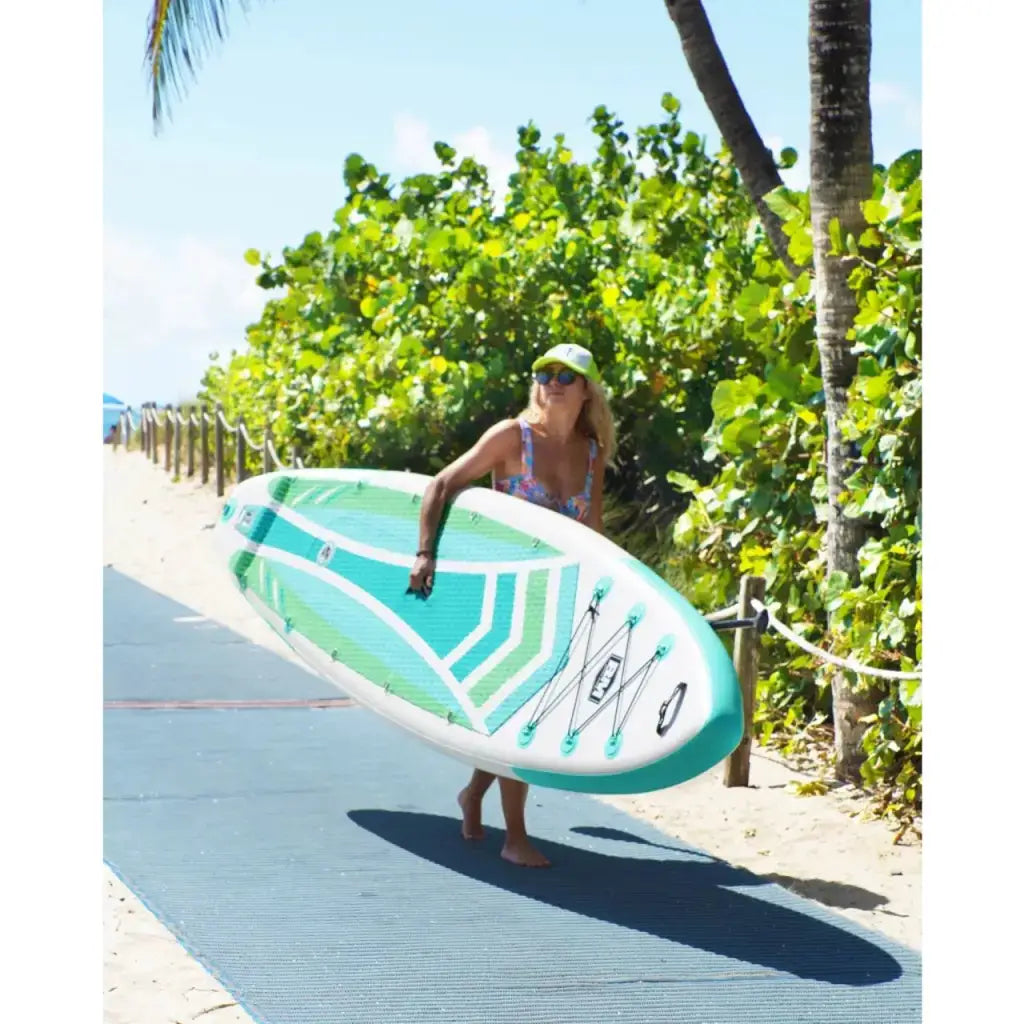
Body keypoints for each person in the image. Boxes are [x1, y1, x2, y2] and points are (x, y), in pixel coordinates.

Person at [408, 343, 616, 867]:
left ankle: (474, 795)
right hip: (504, 594)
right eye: (545, 372)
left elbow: (591, 533)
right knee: (519, 708)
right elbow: (441, 485)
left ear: (586, 389)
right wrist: (424, 554)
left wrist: (603, 595)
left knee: (524, 712)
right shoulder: (511, 437)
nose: (554, 382)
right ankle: (515, 838)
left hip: (556, 597)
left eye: (567, 376)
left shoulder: (592, 453)